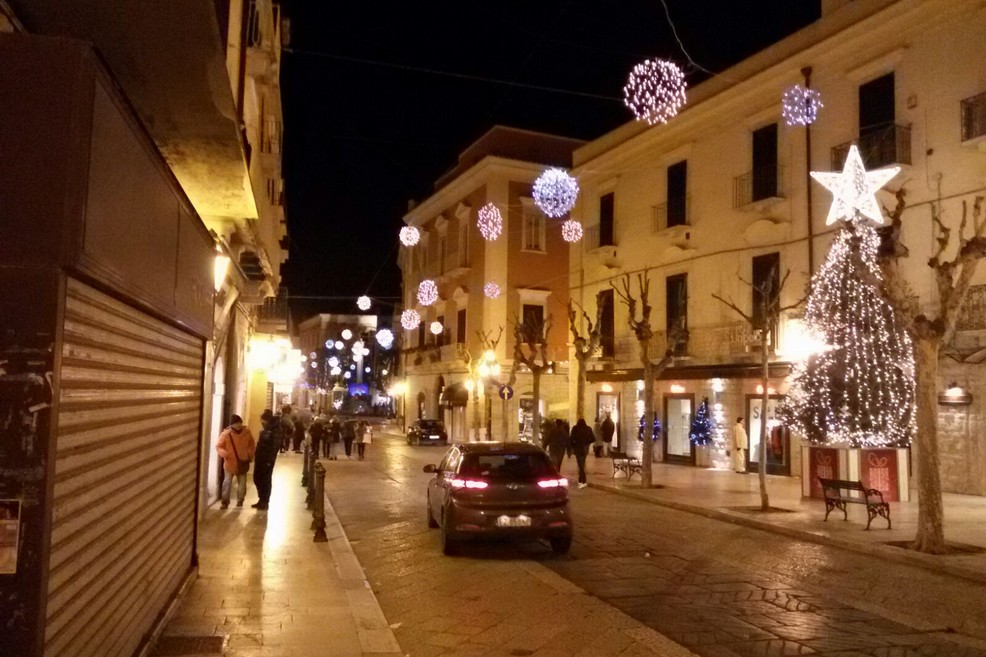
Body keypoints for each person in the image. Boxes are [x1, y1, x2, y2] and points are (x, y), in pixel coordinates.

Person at [216, 414, 256, 509]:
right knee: (227, 482)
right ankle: (225, 502)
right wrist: (225, 454)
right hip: (230, 462)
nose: (239, 425)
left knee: (241, 483)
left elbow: (252, 445)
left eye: (240, 422)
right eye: (236, 423)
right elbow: (218, 446)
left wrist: (249, 455)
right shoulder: (226, 434)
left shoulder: (247, 432)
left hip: (243, 462)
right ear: (232, 424)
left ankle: (240, 500)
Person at [252, 409, 281, 510]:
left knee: (265, 480)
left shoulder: (275, 430)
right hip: (260, 458)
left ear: (267, 420)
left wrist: (270, 460)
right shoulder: (266, 429)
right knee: (257, 478)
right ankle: (261, 499)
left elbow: (275, 446)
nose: (261, 423)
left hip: (267, 459)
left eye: (263, 421)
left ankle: (265, 501)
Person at [570, 418, 595, 488]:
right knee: (582, 463)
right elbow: (593, 438)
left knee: (580, 465)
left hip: (577, 448)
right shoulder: (588, 428)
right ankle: (580, 479)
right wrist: (587, 443)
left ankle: (583, 480)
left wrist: (572, 446)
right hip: (585, 448)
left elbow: (571, 438)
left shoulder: (575, 428)